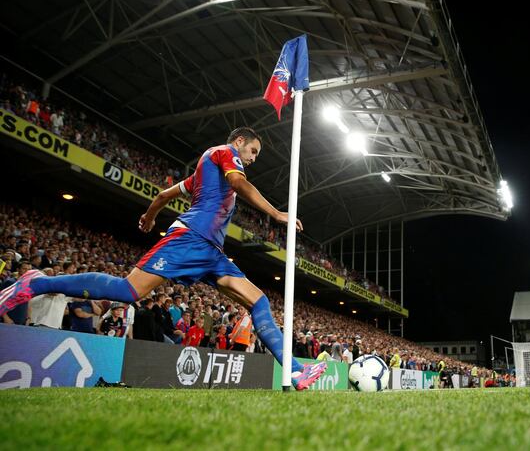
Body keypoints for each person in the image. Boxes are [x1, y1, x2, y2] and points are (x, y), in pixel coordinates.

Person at [0, 128, 326, 390]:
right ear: (239, 141)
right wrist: (276, 213)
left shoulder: (202, 172)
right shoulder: (223, 153)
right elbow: (238, 183)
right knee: (128, 292)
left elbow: (163, 195)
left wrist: (149, 216)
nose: (253, 158)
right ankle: (38, 282)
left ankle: (294, 373)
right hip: (190, 239)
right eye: (253, 151)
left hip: (210, 251)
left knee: (258, 302)